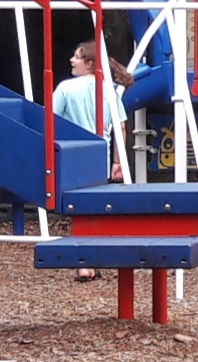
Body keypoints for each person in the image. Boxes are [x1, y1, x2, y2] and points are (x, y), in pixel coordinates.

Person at [52, 39, 128, 283]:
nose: (71, 60)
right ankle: (94, 259)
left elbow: (50, 120)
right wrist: (117, 161)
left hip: (73, 154)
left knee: (78, 211)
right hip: (100, 155)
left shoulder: (65, 88)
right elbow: (121, 127)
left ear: (89, 63)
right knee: (96, 209)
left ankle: (84, 265)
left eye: (77, 56)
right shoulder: (109, 90)